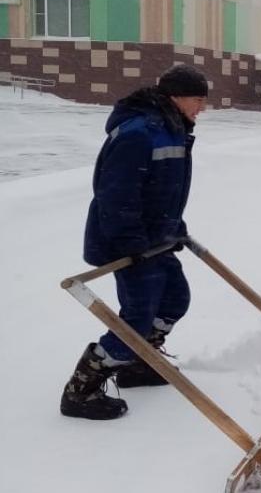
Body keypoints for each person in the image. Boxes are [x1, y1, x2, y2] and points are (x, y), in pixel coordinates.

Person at [60, 65, 208, 420]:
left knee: (175, 299)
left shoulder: (171, 129)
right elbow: (116, 194)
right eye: (197, 100)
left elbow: (163, 189)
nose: (201, 108)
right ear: (175, 97)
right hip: (129, 243)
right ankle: (82, 389)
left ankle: (138, 363)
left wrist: (176, 226)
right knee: (137, 319)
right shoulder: (139, 133)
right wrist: (131, 244)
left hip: (158, 238)